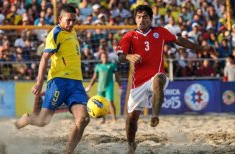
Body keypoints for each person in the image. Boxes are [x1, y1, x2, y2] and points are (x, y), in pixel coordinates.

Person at [116, 5, 216, 153]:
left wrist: (201, 48)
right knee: (131, 119)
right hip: (138, 82)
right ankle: (131, 144)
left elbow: (180, 40)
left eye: (145, 17)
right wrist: (129, 56)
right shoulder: (129, 36)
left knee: (158, 80)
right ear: (135, 19)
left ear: (150, 18)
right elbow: (120, 57)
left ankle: (155, 115)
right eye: (138, 17)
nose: (141, 19)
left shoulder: (160, 32)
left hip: (157, 74)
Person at [14, 4, 90, 154]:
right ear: (60, 18)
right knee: (43, 121)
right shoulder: (55, 33)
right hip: (58, 82)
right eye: (68, 20)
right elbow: (44, 58)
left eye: (74, 20)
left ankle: (68, 152)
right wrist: (39, 82)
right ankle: (26, 119)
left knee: (83, 119)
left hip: (76, 83)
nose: (71, 23)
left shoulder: (72, 31)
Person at [85, 52, 122, 123]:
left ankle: (114, 119)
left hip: (109, 87)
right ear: (101, 58)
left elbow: (117, 76)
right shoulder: (98, 66)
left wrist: (120, 86)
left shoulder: (112, 65)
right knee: (100, 104)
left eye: (106, 57)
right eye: (103, 57)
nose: (105, 58)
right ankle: (103, 119)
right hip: (100, 87)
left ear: (108, 57)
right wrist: (89, 86)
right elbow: (94, 78)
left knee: (110, 102)